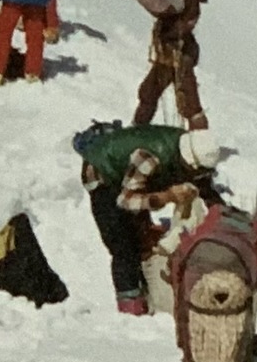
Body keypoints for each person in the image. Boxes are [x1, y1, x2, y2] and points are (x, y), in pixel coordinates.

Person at [74, 122, 225, 315]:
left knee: (141, 233)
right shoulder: (149, 158)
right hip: (102, 172)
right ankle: (130, 304)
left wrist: (222, 213)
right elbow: (126, 201)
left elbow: (204, 188)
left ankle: (147, 287)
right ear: (188, 162)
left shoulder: (190, 147)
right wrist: (168, 196)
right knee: (121, 243)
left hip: (131, 176)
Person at [128, 0, 209, 131]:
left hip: (179, 51)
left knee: (189, 101)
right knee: (149, 91)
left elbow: (160, 5)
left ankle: (201, 142)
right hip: (170, 50)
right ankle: (137, 130)